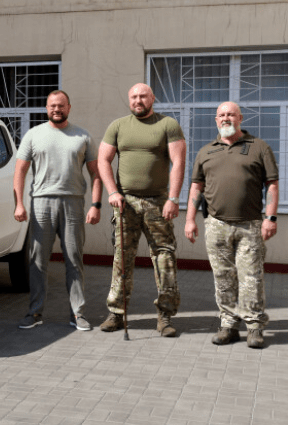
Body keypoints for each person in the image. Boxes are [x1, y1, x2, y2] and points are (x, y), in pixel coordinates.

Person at [185, 101, 278, 349]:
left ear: (240, 118)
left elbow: (271, 185)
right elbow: (196, 187)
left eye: (231, 114)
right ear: (216, 120)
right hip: (216, 224)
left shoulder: (259, 148)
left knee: (251, 278)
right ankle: (228, 325)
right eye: (222, 115)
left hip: (250, 225)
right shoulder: (206, 151)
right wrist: (189, 219)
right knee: (223, 278)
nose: (226, 118)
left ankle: (254, 328)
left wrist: (270, 217)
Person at [98, 83, 186, 337]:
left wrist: (173, 198)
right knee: (121, 258)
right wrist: (112, 192)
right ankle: (116, 313)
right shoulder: (118, 126)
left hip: (158, 202)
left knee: (164, 257)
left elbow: (178, 162)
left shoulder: (168, 124)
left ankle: (165, 316)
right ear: (129, 100)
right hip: (125, 203)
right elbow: (103, 159)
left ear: (152, 98)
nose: (138, 100)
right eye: (134, 96)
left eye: (143, 96)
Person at [14, 90, 102, 330]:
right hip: (41, 203)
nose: (56, 109)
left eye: (61, 105)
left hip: (73, 203)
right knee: (38, 261)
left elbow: (96, 173)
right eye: (52, 105)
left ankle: (77, 313)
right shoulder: (34, 135)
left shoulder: (82, 136)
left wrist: (96, 204)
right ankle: (34, 312)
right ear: (46, 108)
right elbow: (20, 171)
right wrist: (19, 203)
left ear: (69, 108)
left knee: (74, 259)